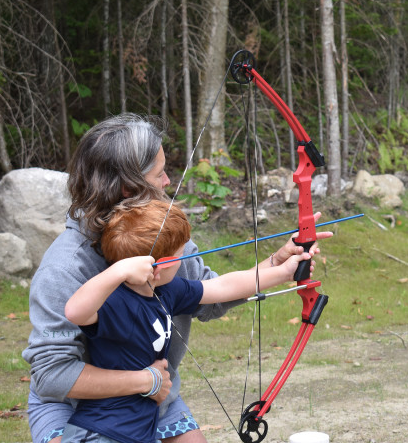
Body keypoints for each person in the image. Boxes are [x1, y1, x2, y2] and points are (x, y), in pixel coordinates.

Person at [23, 113, 331, 443]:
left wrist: (278, 265)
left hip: (155, 399)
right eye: (159, 174)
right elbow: (52, 374)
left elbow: (212, 295)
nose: (169, 181)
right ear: (130, 187)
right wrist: (146, 381)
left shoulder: (165, 235)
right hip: (77, 407)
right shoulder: (65, 267)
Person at [60, 199, 312, 443]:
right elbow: (74, 311)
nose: (183, 261)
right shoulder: (114, 302)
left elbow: (224, 286)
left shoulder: (168, 291)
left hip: (137, 432)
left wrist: (283, 270)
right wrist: (119, 271)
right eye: (180, 254)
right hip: (99, 433)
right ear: (159, 268)